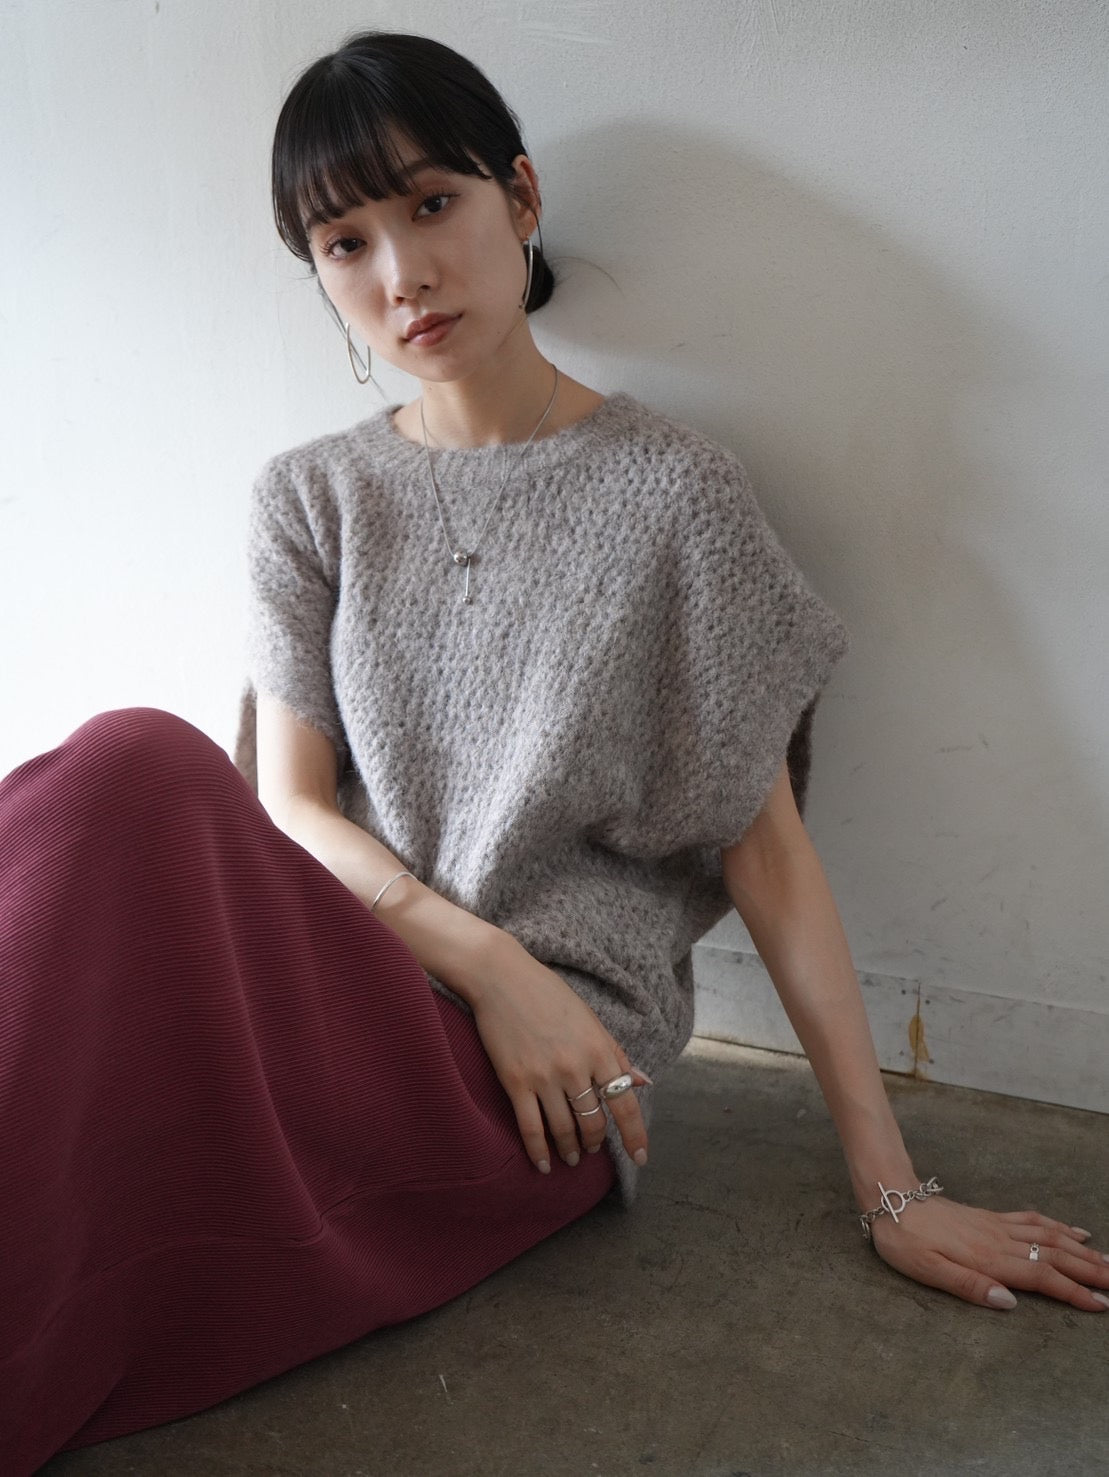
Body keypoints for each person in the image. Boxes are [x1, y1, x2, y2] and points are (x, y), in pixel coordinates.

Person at [3, 27, 1106, 1476]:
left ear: (519, 197)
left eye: (432, 205)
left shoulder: (674, 499)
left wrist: (893, 1190)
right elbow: (291, 806)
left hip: (540, 1076)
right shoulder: (311, 496)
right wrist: (487, 960)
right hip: (363, 980)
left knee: (129, 788)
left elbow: (766, 853)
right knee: (107, 783)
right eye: (345, 242)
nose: (401, 274)